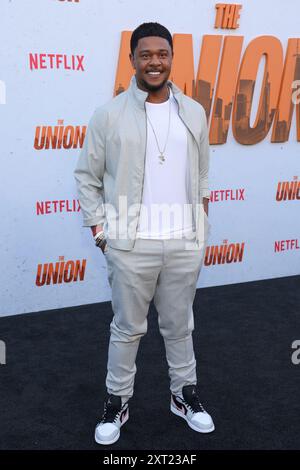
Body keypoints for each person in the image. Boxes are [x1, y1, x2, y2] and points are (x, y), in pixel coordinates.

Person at [74, 22, 214, 445]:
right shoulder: (109, 114)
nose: (155, 61)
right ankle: (116, 401)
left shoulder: (193, 111)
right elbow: (87, 176)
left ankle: (183, 395)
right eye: (146, 54)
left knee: (180, 326)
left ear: (172, 58)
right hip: (130, 244)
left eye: (163, 54)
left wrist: (199, 229)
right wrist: (101, 233)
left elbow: (203, 173)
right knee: (127, 328)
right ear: (132, 59)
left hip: (183, 241)